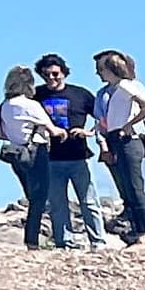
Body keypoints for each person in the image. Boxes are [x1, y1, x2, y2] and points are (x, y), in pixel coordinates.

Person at [90, 48, 145, 246]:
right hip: (116, 139)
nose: (98, 73)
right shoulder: (108, 91)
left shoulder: (126, 86)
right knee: (129, 191)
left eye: (101, 69)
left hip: (130, 139)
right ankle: (142, 233)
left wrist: (129, 124)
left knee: (137, 189)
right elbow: (102, 120)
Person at [27, 55, 100, 249]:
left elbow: (103, 116)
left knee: (88, 201)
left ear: (64, 73)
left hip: (78, 155)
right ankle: (64, 242)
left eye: (55, 74)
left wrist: (89, 132)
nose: (51, 78)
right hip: (50, 158)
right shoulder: (36, 95)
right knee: (57, 204)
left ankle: (97, 242)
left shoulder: (81, 94)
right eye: (46, 75)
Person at [0, 67, 57, 247]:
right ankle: (32, 240)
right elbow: (53, 129)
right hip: (36, 151)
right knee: (39, 197)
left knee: (31, 196)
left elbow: (0, 134)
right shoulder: (31, 105)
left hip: (16, 154)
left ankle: (31, 240)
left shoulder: (4, 106)